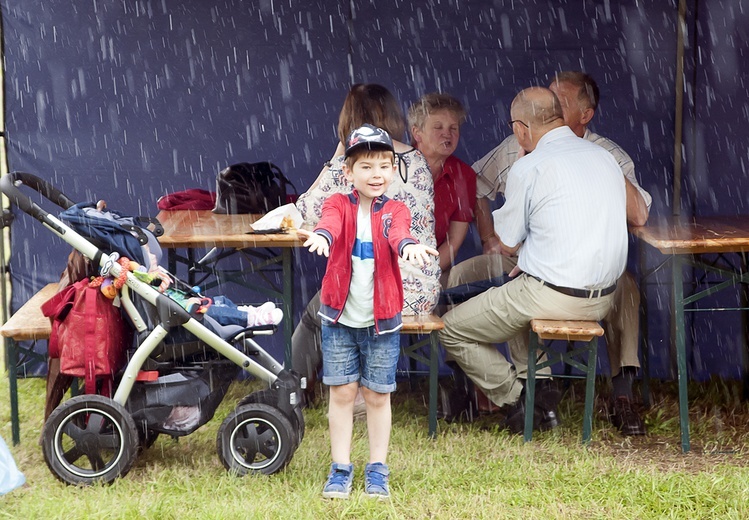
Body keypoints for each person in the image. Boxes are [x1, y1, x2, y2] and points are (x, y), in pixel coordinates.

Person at [453, 71, 652, 435]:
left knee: (452, 329)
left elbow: (509, 241)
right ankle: (532, 384)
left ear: (521, 128)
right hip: (595, 295)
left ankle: (520, 399)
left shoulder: (532, 164)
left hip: (551, 290)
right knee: (496, 284)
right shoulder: (603, 159)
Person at [298, 124, 438, 499]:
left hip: (382, 322)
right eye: (366, 166)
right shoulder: (337, 204)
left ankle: (377, 467)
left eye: (384, 165)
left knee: (377, 395)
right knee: (342, 394)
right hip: (339, 321)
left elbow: (399, 232)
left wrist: (408, 246)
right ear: (348, 172)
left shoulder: (395, 209)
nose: (376, 174)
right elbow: (330, 224)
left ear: (393, 170)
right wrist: (323, 237)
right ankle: (340, 467)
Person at [293, 84, 441, 403]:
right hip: (422, 288)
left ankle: (295, 388)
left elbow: (305, 210)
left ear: (350, 120)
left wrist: (335, 158)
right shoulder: (415, 158)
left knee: (315, 315)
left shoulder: (354, 165)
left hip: (381, 286)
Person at [408, 93, 476, 286]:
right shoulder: (394, 166)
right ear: (417, 133)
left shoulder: (464, 175)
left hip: (433, 267)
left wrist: (428, 274)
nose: (447, 134)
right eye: (438, 127)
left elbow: (454, 240)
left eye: (453, 128)